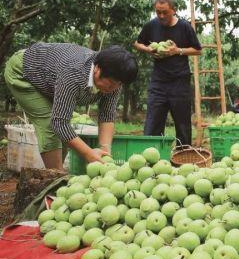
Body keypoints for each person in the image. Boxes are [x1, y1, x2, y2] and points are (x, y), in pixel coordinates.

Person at [4, 43, 138, 170]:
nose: (114, 88)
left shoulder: (114, 80)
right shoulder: (74, 74)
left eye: (119, 84)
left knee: (62, 133)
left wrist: (105, 149)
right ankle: (56, 180)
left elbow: (107, 115)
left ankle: (56, 173)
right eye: (111, 83)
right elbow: (59, 123)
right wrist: (88, 154)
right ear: (97, 69)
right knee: (50, 125)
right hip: (24, 72)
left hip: (49, 79)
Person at [133, 0, 202, 147]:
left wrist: (177, 51)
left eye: (165, 12)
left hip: (180, 82)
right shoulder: (151, 25)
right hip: (158, 82)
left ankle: (183, 158)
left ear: (173, 10)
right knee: (152, 124)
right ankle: (151, 157)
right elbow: (137, 43)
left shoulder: (184, 26)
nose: (161, 16)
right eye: (158, 12)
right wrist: (148, 49)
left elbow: (198, 50)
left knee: (183, 126)